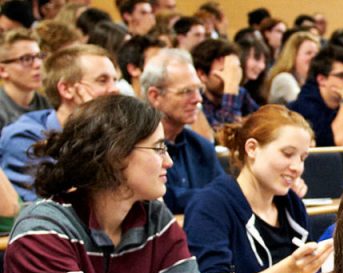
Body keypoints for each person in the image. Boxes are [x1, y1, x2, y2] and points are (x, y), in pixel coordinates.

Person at [0, 95, 258, 273]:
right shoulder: (41, 228)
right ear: (115, 155)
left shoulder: (155, 216)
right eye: (158, 148)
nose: (169, 161)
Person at [184, 105, 330, 273]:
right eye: (288, 154)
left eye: (303, 158)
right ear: (252, 148)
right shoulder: (210, 205)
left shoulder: (292, 205)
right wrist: (290, 270)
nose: (297, 167)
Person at [1, 44, 120, 201]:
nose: (115, 89)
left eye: (115, 80)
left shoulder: (111, 130)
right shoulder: (23, 138)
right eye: (102, 80)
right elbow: (59, 205)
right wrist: (89, 127)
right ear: (66, 89)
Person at [141, 48, 225, 213]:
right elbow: (158, 201)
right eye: (186, 91)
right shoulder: (137, 149)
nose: (198, 99)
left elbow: (225, 194)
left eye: (198, 90)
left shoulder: (201, 146)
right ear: (155, 96)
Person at [192, 38, 259, 130]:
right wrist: (230, 91)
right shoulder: (196, 100)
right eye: (224, 71)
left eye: (234, 71)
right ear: (202, 75)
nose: (232, 77)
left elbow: (263, 119)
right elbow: (224, 135)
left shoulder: (240, 92)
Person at [0, 30, 50, 131]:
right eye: (26, 59)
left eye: (39, 56)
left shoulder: (47, 102)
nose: (38, 64)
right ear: (2, 70)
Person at [263, 31, 318, 105]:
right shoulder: (284, 79)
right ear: (293, 55)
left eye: (316, 54)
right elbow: (304, 107)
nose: (314, 57)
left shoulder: (310, 81)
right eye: (308, 53)